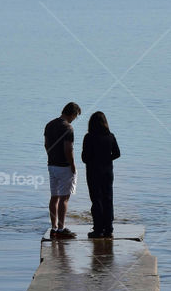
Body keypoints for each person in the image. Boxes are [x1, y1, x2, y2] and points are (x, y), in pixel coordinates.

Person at [44, 102, 81, 239]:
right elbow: (68, 149)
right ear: (73, 114)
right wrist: (73, 166)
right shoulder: (68, 128)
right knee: (64, 198)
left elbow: (46, 144)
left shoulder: (50, 124)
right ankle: (61, 228)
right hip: (64, 166)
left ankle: (53, 227)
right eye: (75, 116)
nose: (74, 119)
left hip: (51, 165)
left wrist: (51, 157)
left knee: (54, 197)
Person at [81, 111, 121, 239]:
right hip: (108, 172)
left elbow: (85, 158)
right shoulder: (110, 136)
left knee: (96, 199)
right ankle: (108, 228)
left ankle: (98, 229)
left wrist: (94, 159)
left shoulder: (89, 137)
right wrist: (107, 159)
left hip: (93, 172)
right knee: (108, 199)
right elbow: (117, 153)